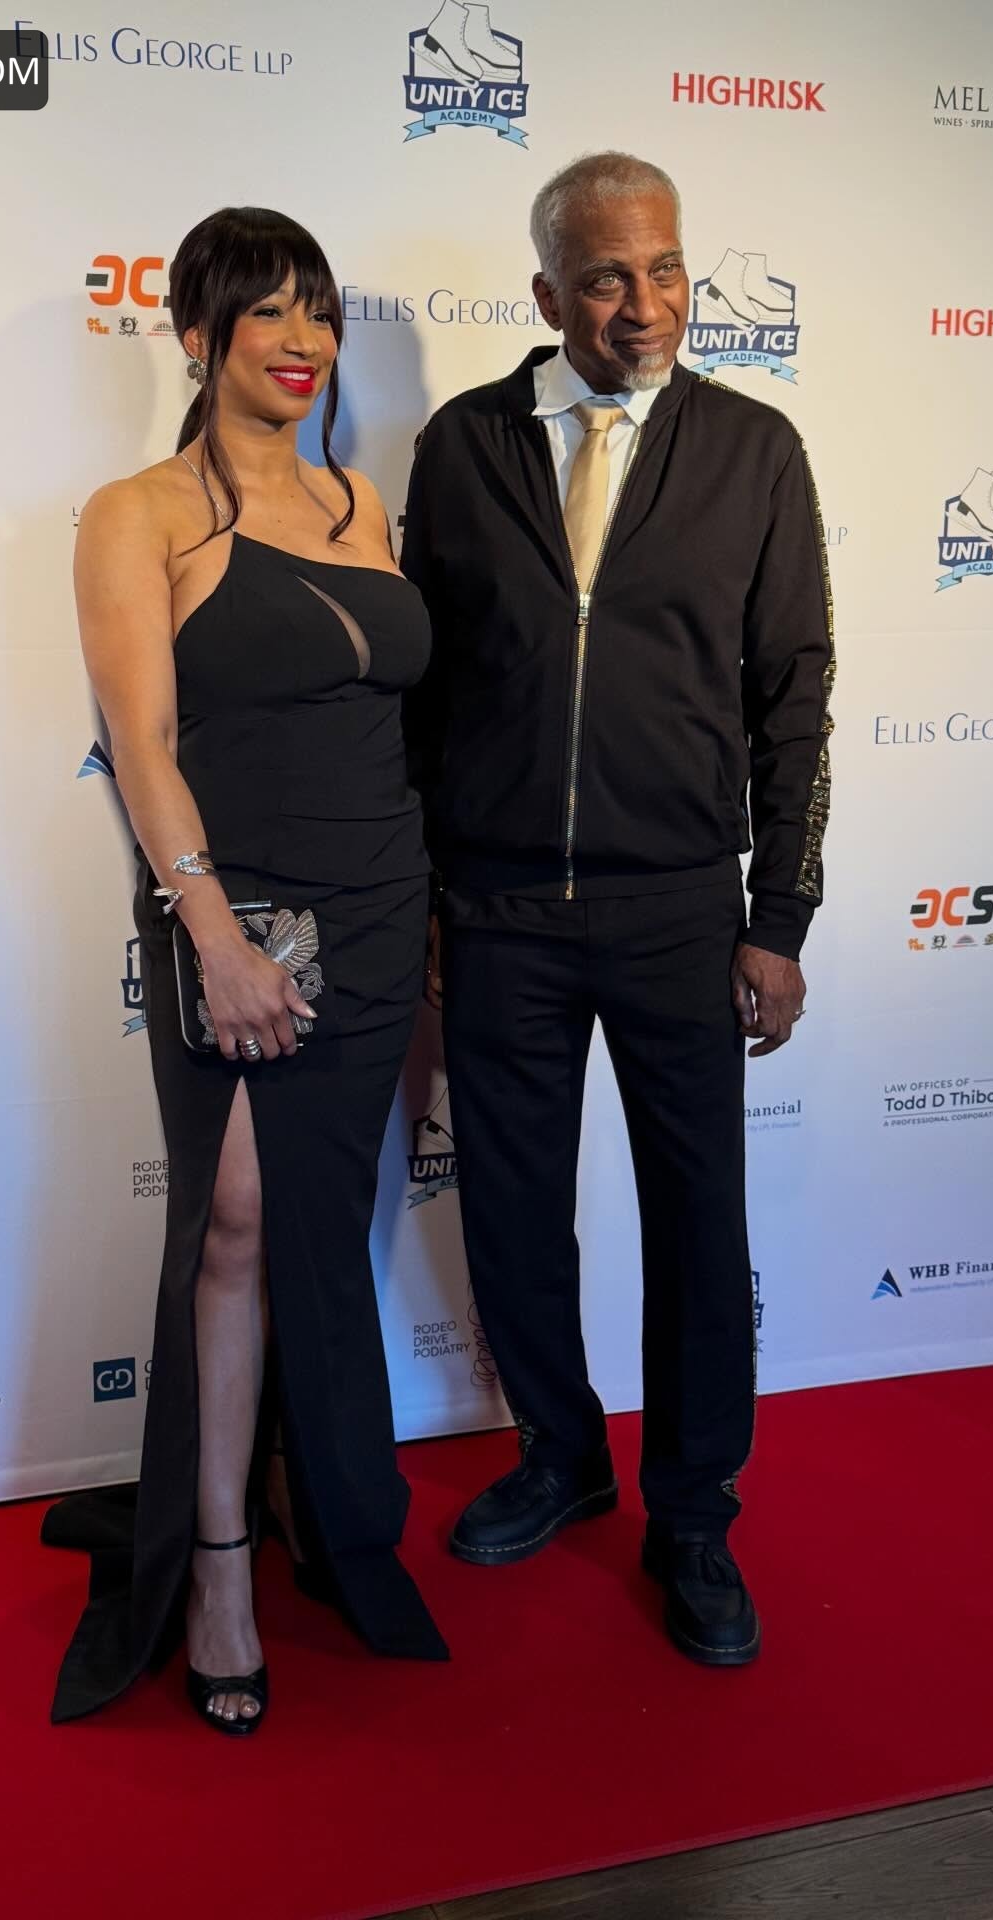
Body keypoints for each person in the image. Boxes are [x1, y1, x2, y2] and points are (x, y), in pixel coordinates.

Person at [401, 152, 834, 1666]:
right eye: (605, 277)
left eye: (664, 271)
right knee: (516, 1211)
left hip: (678, 911)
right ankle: (561, 1454)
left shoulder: (753, 448)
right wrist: (432, 893)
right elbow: (427, 694)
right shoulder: (462, 445)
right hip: (500, 907)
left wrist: (778, 913)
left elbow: (794, 695)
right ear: (547, 295)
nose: (643, 305)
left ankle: (695, 1512)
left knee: (698, 1221)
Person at [44, 205, 448, 1735]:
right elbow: (142, 745)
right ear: (198, 333)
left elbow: (390, 723)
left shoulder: (359, 499)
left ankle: (315, 1500)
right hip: (245, 909)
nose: (301, 340)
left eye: (319, 311)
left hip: (381, 899)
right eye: (267, 309)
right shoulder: (138, 511)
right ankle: (214, 1562)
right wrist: (210, 935)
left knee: (319, 1236)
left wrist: (430, 922)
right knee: (231, 1229)